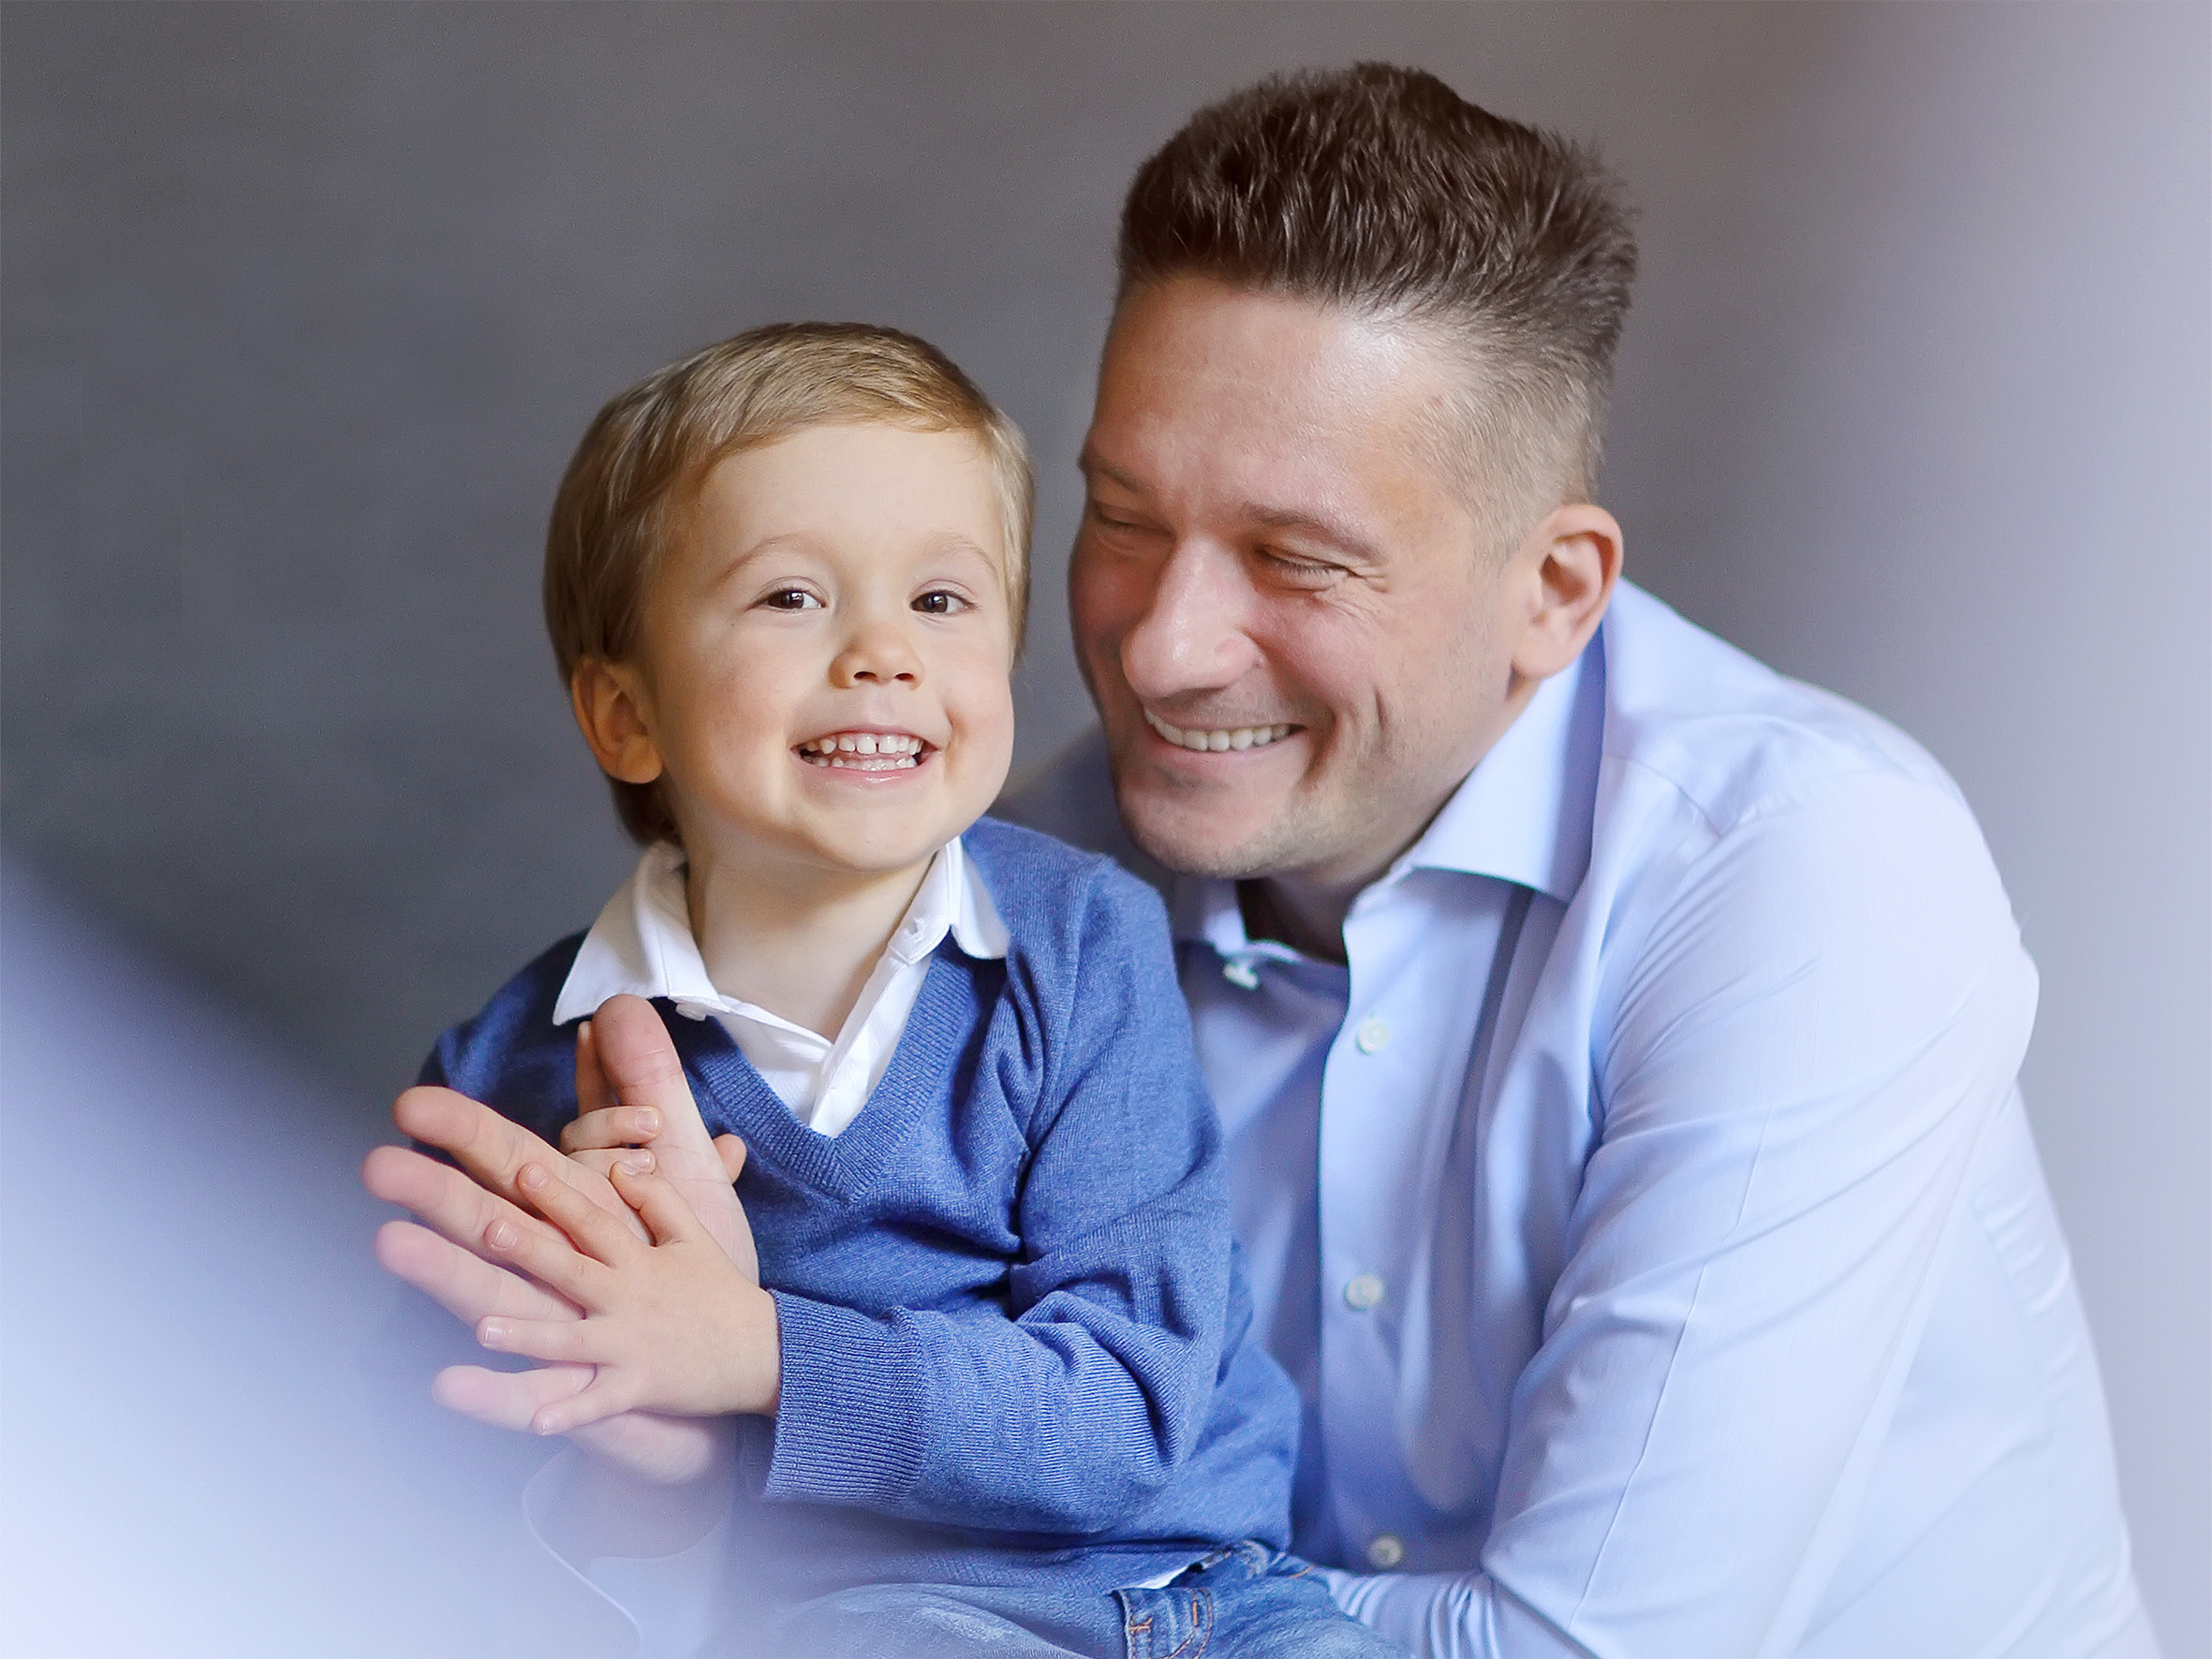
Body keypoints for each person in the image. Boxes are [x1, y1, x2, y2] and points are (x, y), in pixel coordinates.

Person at [378, 66, 2156, 1659]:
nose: (1160, 651)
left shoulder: (1804, 881)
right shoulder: (1007, 892)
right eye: (1125, 522)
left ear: (1554, 593)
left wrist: (1050, 1560)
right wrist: (671, 1461)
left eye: (1296, 562)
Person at [363, 321, 1408, 1658]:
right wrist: (642, 1455)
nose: (881, 653)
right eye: (792, 597)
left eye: (941, 600)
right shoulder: (514, 1076)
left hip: (1210, 1597)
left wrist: (757, 1348)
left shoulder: (1081, 946)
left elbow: (1130, 1413)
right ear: (626, 714)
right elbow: (420, 1511)